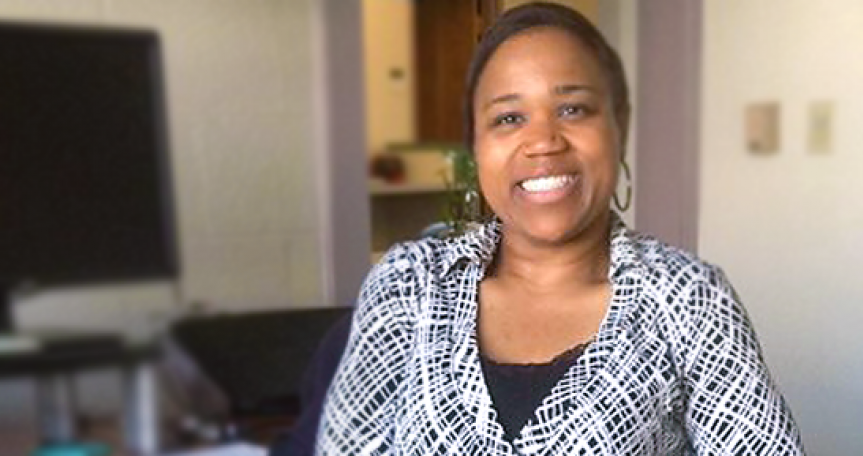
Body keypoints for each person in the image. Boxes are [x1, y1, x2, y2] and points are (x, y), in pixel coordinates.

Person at [317, 3, 805, 454]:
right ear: (476, 147)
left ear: (619, 128)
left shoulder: (688, 299)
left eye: (572, 109)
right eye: (508, 117)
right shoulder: (410, 284)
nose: (543, 141)